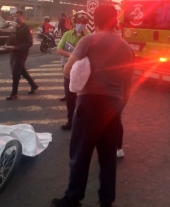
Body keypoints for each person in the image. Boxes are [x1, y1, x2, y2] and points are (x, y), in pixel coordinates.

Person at [51, 5, 135, 207]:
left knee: (81, 152)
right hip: (113, 106)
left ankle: (73, 198)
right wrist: (118, 107)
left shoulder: (89, 40)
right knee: (107, 157)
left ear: (94, 21)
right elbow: (129, 85)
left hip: (90, 103)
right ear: (115, 21)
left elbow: (67, 70)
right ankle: (106, 201)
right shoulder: (126, 47)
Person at [57, 10, 89, 130]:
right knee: (70, 98)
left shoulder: (89, 36)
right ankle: (71, 121)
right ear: (74, 22)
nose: (81, 24)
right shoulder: (67, 35)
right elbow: (59, 49)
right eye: (79, 22)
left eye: (84, 22)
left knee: (82, 99)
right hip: (68, 70)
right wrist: (71, 55)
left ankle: (81, 121)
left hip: (82, 72)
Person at [6, 11, 38, 100]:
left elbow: (29, 42)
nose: (16, 18)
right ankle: (33, 85)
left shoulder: (26, 28)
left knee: (15, 72)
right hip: (13, 51)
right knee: (21, 70)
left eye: (18, 16)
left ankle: (14, 93)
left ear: (22, 17)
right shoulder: (15, 27)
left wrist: (18, 47)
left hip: (21, 53)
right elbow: (11, 38)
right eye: (15, 16)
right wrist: (7, 45)